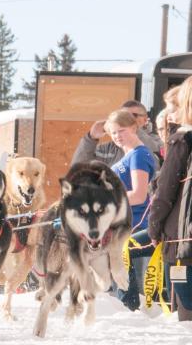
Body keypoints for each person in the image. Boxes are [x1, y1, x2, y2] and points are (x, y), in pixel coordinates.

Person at [149, 77, 192, 321]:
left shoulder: (183, 140)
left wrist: (154, 228)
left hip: (183, 241)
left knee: (187, 314)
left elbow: (165, 192)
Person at [104, 109, 156, 311]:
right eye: (113, 132)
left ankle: (130, 317)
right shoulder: (128, 155)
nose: (117, 136)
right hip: (121, 226)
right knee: (121, 281)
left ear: (134, 127)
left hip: (133, 226)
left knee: (126, 286)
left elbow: (139, 195)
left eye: (121, 130)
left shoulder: (139, 155)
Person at [71, 100, 162, 167]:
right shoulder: (108, 149)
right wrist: (90, 139)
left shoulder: (159, 141)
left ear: (145, 119)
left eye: (132, 116)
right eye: (122, 116)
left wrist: (133, 130)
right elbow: (78, 169)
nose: (126, 120)